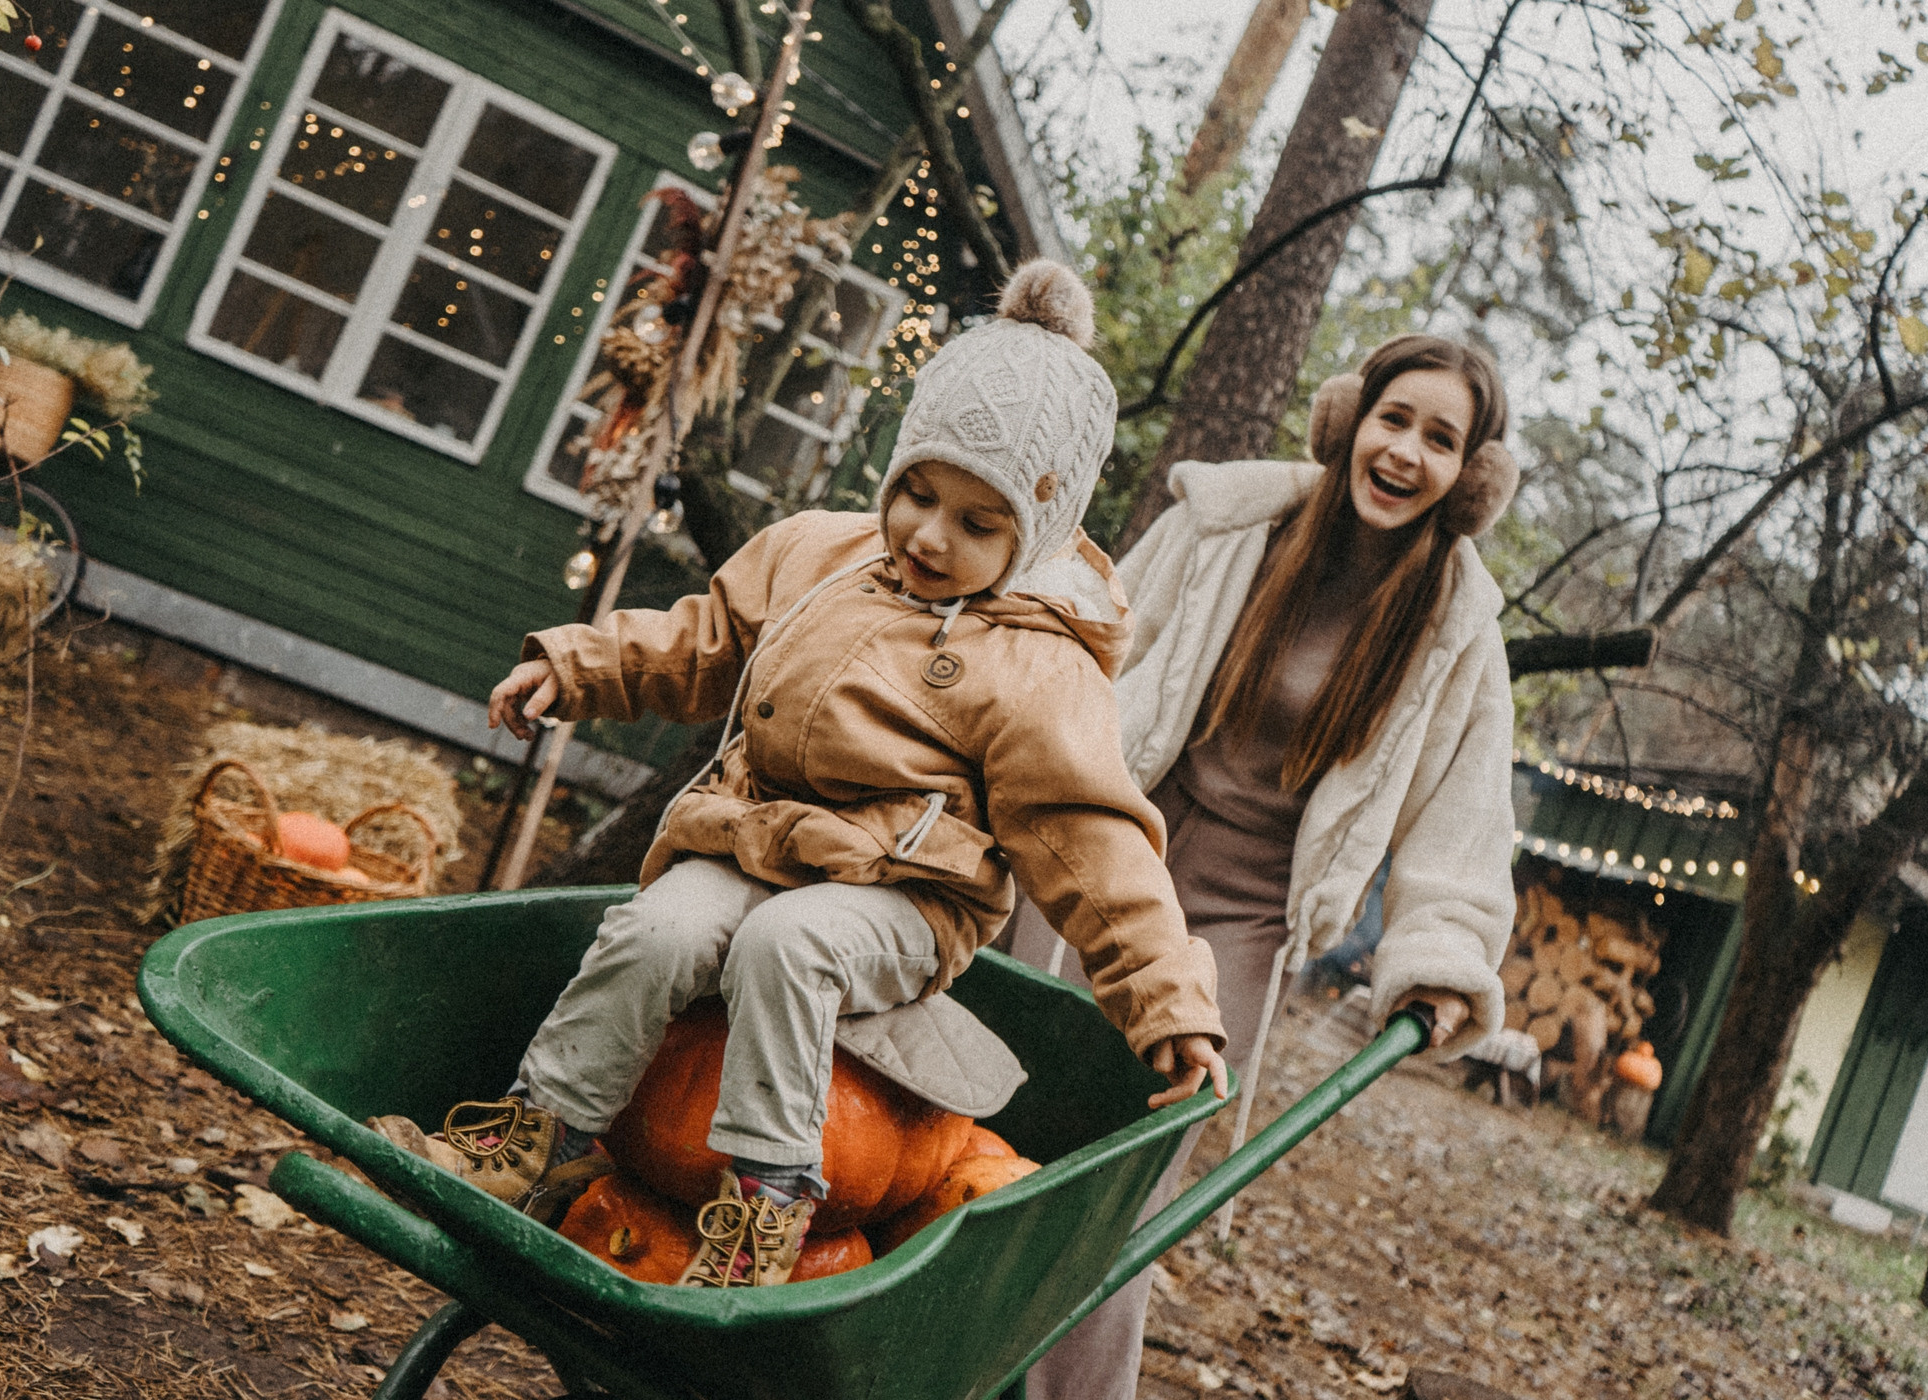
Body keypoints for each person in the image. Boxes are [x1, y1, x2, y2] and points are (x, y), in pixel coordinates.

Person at [376, 261, 1228, 1289]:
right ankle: (543, 1131)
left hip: (908, 896)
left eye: (977, 522)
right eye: (919, 493)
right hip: (759, 836)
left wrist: (1168, 1003)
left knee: (789, 943)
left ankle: (767, 1203)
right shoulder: (819, 556)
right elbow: (700, 641)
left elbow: (1096, 844)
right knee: (657, 929)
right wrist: (577, 667)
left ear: (1037, 530)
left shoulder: (1040, 665)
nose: (929, 535)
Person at [1011, 334, 1520, 1399]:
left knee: (1127, 1187)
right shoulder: (1227, 522)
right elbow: (1085, 648)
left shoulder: (1456, 627)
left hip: (1239, 920)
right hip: (1111, 857)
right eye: (1393, 419)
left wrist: (1441, 952)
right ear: (1348, 420)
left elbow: (1463, 816)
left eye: (1440, 439)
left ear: (1470, 477)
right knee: (1004, 1115)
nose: (1405, 452)